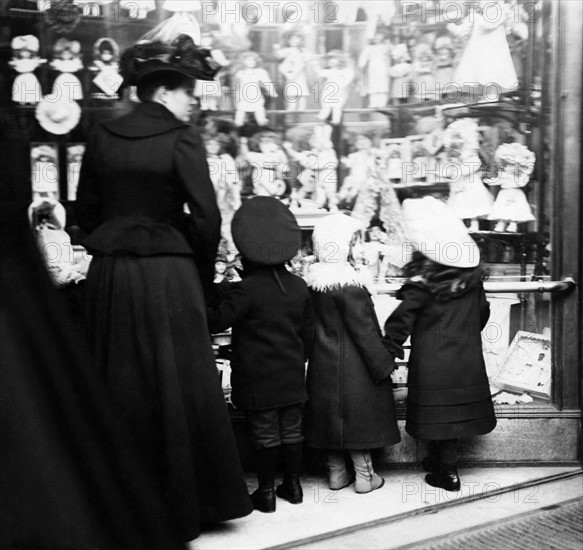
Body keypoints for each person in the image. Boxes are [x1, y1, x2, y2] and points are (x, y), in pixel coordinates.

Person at [75, 35, 253, 542]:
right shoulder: (181, 137)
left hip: (112, 270)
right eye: (187, 92)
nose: (193, 100)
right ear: (164, 92)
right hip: (168, 271)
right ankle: (186, 504)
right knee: (177, 384)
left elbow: (85, 208)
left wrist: (112, 237)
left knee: (120, 379)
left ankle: (123, 502)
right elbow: (207, 216)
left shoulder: (104, 131)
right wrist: (197, 272)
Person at [206, 197, 314, 514]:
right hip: (292, 375)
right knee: (293, 430)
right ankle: (293, 487)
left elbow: (216, 321)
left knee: (265, 434)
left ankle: (265, 493)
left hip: (257, 378)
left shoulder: (247, 289)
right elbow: (308, 335)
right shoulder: (299, 286)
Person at [383, 196, 496, 492]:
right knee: (453, 413)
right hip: (465, 357)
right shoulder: (472, 280)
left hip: (432, 361)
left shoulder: (421, 285)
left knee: (438, 413)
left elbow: (399, 324)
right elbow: (482, 313)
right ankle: (440, 463)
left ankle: (447, 473)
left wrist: (387, 352)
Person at [304, 213, 400, 494]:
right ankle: (365, 476)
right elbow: (365, 332)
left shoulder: (313, 285)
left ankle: (336, 475)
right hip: (355, 368)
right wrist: (384, 366)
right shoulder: (350, 286)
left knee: (330, 421)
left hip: (324, 366)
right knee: (356, 422)